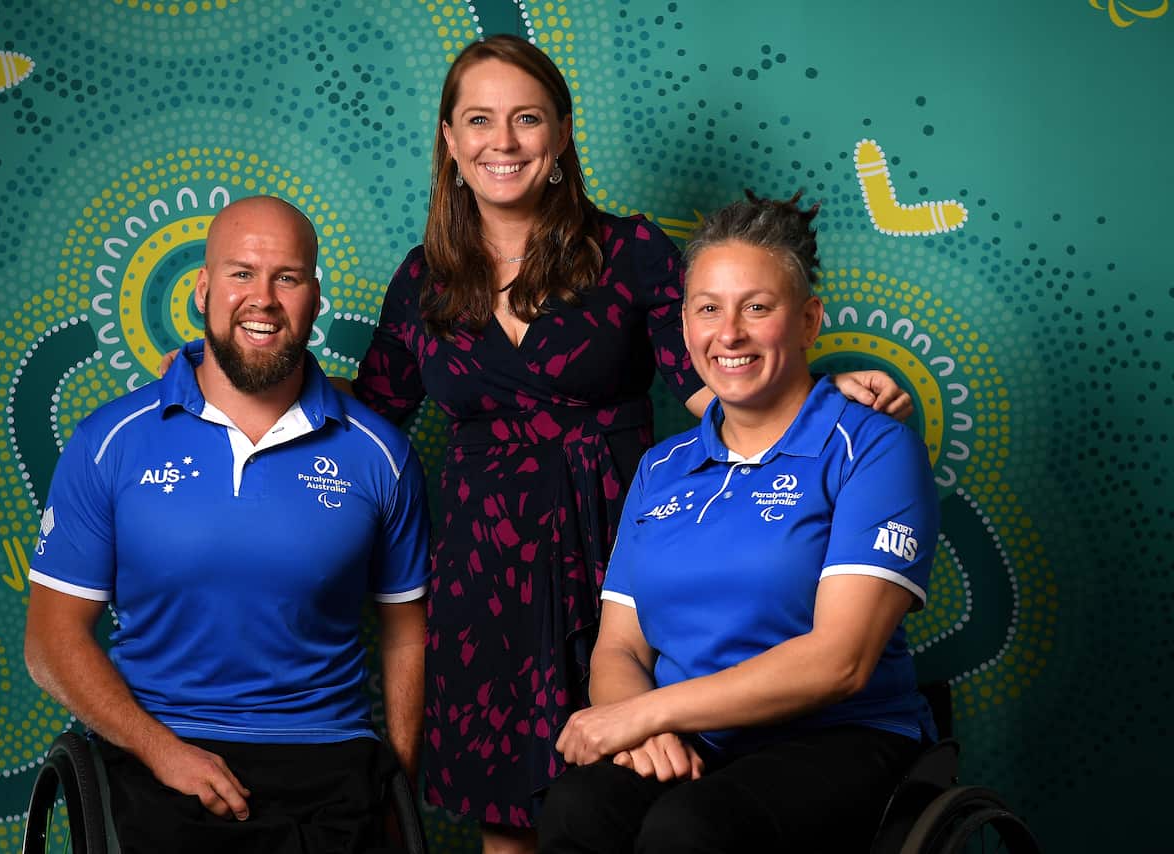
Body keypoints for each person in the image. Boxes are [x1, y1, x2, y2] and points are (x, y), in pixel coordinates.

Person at [347, 35, 916, 854]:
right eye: (478, 119)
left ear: (562, 133)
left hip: (607, 539)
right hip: (485, 569)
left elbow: (723, 379)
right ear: (449, 138)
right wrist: (242, 383)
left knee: (634, 787)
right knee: (514, 817)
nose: (502, 141)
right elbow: (369, 413)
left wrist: (830, 401)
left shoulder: (628, 252)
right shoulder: (422, 278)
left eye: (526, 119)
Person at [24, 196, 431, 854]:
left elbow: (406, 635)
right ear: (202, 289)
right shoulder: (110, 441)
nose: (262, 298)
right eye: (242, 273)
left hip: (328, 757)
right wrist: (162, 751)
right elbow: (51, 639)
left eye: (287, 278)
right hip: (160, 751)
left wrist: (399, 784)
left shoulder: (380, 454)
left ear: (314, 299)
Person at [540, 193, 941, 854]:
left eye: (757, 308)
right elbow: (619, 649)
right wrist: (648, 731)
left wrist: (644, 714)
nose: (728, 334)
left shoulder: (873, 449)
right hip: (693, 736)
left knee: (690, 828)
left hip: (840, 737)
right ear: (685, 325)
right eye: (708, 309)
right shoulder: (661, 468)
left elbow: (840, 661)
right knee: (578, 809)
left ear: (808, 321)